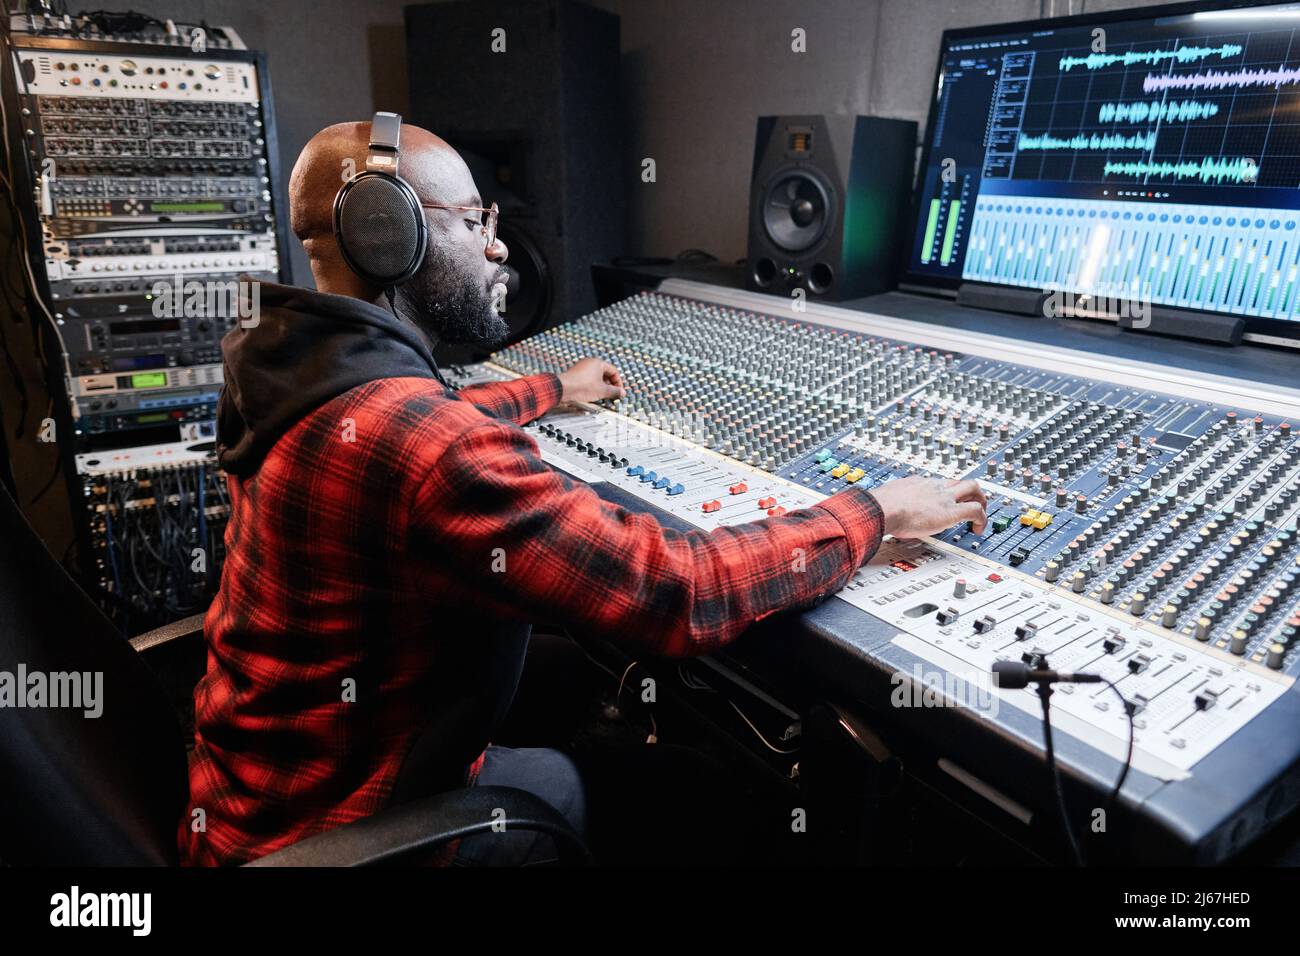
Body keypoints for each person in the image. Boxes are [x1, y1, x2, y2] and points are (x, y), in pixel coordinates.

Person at [179, 119, 988, 866]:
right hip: (348, 836)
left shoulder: (291, 368)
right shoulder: (426, 448)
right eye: (472, 222)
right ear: (390, 233)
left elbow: (428, 413)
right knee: (704, 796)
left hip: (251, 797)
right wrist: (875, 512)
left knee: (568, 670)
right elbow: (677, 590)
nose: (497, 252)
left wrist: (546, 389)